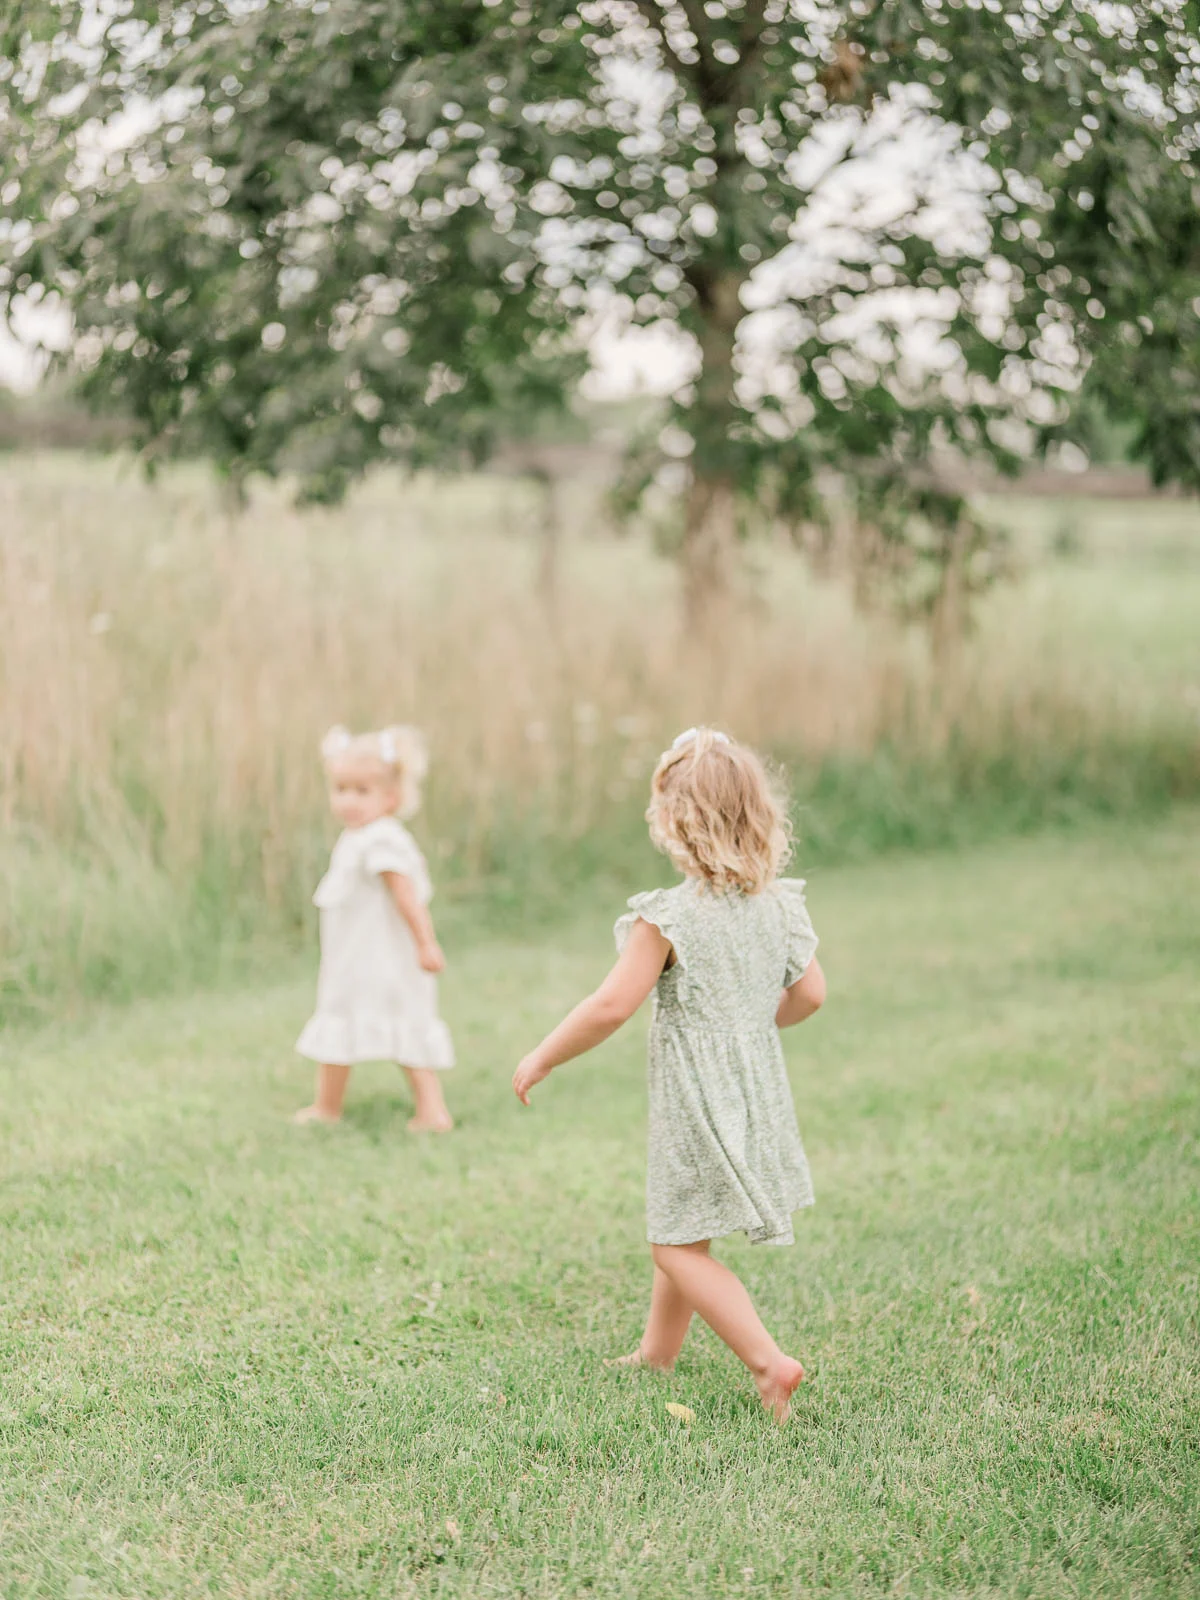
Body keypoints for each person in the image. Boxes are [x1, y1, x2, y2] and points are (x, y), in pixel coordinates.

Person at [513, 727, 826, 1422]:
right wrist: (748, 1029)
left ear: (676, 823)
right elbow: (811, 996)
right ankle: (658, 1352)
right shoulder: (779, 905)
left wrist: (542, 1055)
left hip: (696, 1097)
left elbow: (610, 1005)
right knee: (688, 1223)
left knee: (673, 1245)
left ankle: (769, 1363)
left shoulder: (670, 918)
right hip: (755, 1088)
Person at [294, 723, 454, 1131]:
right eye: (340, 789)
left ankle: (432, 1111)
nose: (348, 800)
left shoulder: (381, 840)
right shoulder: (359, 836)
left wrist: (426, 944)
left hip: (384, 960)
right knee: (340, 1019)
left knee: (403, 1023)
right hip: (353, 958)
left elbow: (406, 897)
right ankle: (326, 1106)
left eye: (361, 791)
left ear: (391, 797)